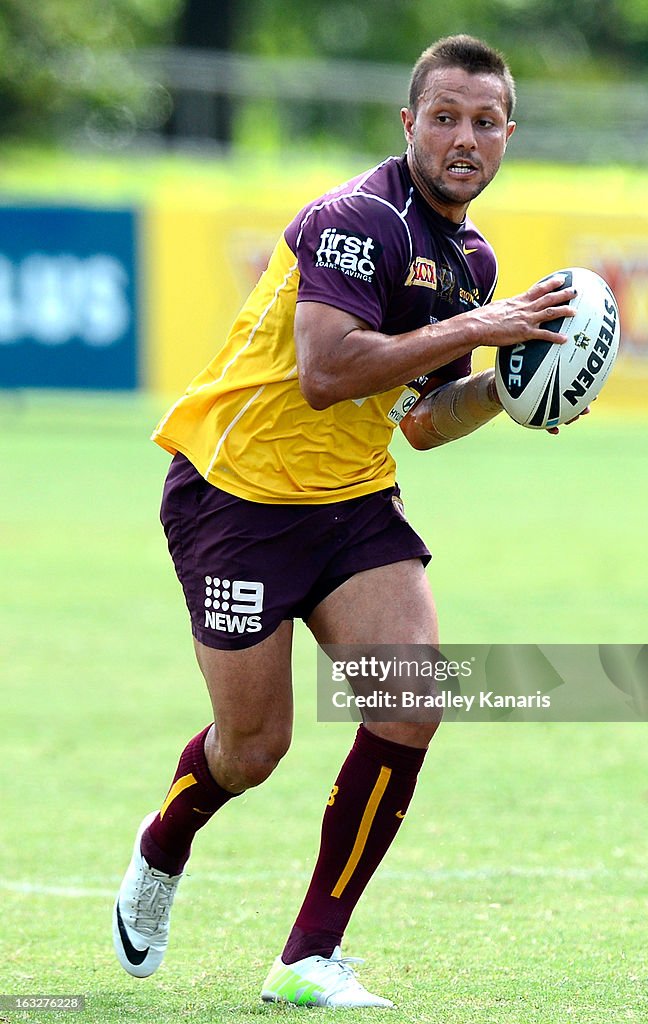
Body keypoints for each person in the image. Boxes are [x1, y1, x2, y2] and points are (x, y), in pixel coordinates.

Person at [112, 33, 579, 1008]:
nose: (464, 137)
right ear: (409, 124)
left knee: (412, 699)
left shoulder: (469, 258)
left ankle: (307, 957)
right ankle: (164, 842)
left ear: (507, 135)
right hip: (234, 497)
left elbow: (420, 420)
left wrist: (513, 386)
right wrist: (478, 328)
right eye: (444, 116)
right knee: (254, 750)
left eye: (484, 121)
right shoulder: (354, 220)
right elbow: (327, 373)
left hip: (352, 503)